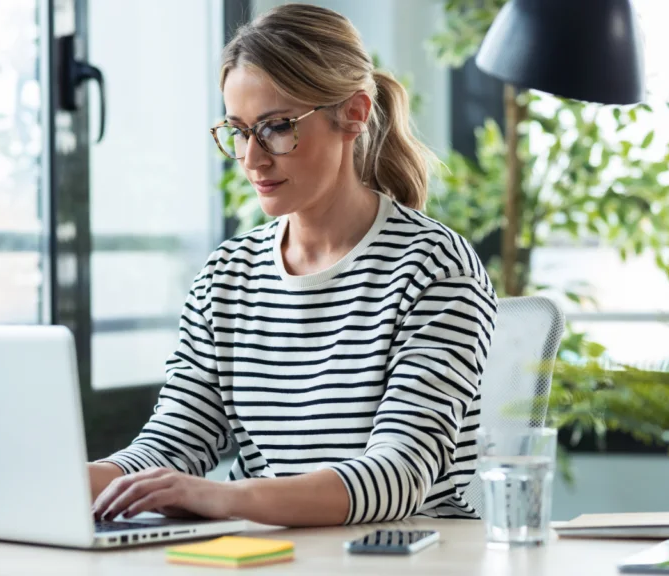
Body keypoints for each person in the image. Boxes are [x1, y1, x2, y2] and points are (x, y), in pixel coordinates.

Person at [88, 3, 497, 527]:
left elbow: (398, 475)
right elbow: (171, 447)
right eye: (238, 131)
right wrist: (63, 480)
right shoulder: (226, 277)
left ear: (353, 113)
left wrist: (222, 497)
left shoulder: (435, 268)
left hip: (398, 559)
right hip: (270, 554)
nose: (252, 159)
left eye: (277, 127)